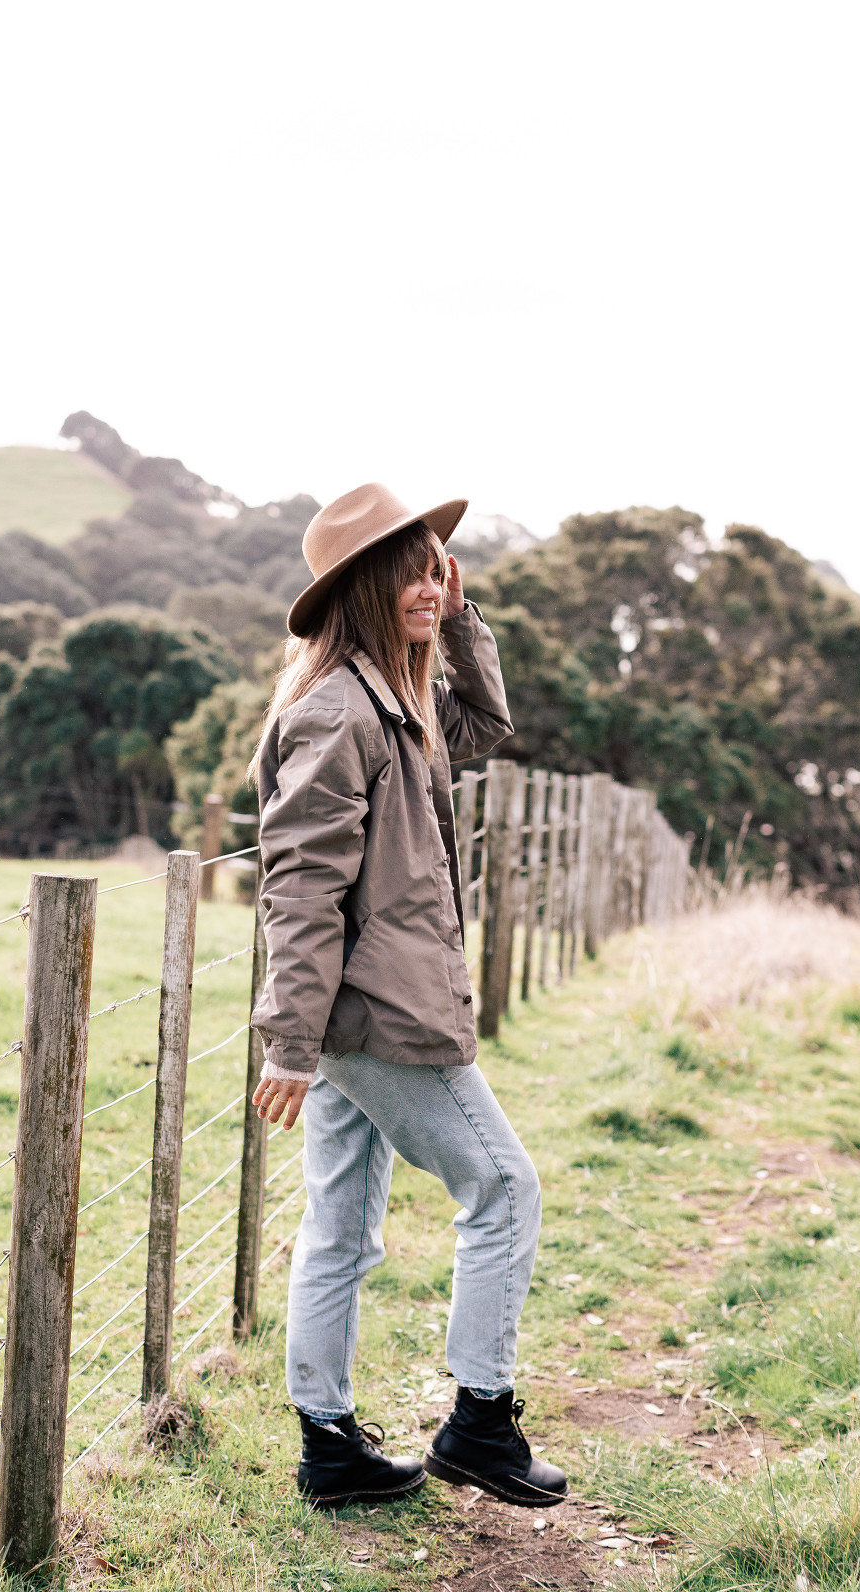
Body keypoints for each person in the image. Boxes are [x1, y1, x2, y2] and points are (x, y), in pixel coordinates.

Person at [247, 482, 566, 1510]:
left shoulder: (396, 699)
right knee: (503, 1188)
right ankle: (479, 1422)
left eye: (437, 571)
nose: (429, 588)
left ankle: (329, 1446)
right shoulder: (335, 713)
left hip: (356, 1014)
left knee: (339, 1225)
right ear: (362, 590)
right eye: (410, 575)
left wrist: (459, 622)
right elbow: (300, 890)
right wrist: (288, 1043)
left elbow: (484, 721)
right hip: (373, 1016)